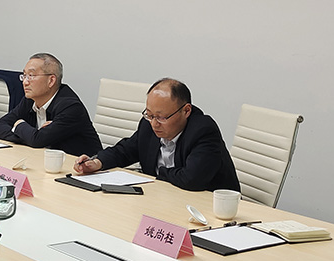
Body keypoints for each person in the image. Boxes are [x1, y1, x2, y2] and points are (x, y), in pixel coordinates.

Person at [72, 78, 240, 192]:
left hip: (208, 208)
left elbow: (192, 179)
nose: (154, 123)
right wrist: (97, 162)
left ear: (186, 111)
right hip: (164, 197)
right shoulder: (149, 124)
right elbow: (126, 150)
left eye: (161, 117)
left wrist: (160, 173)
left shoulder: (203, 131)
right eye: (150, 114)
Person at [0, 53, 101, 156]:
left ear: (51, 81)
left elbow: (38, 141)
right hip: (45, 160)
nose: (25, 82)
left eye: (31, 75)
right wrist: (29, 136)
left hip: (81, 166)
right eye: (24, 75)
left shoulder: (70, 107)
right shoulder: (30, 100)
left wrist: (19, 125)